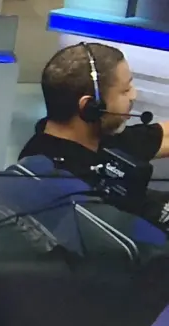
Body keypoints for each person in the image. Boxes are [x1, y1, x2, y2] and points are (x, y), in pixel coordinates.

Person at [18, 42, 169, 225]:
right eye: (125, 90)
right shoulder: (64, 183)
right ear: (90, 107)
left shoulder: (95, 138)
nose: (134, 95)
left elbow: (162, 136)